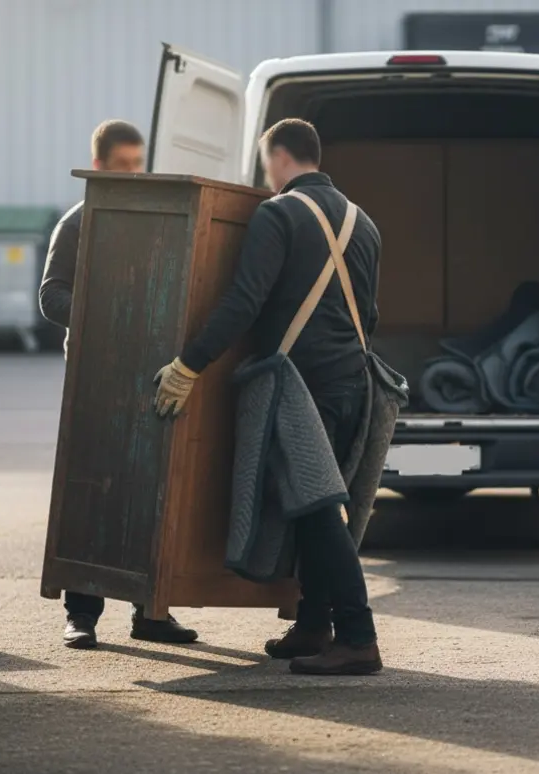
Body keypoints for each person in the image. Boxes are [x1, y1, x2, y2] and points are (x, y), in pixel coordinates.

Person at [151, 118, 383, 675]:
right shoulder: (365, 222)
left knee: (319, 510)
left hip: (301, 387)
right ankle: (312, 624)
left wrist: (189, 364)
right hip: (355, 384)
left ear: (279, 157)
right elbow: (369, 316)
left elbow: (243, 302)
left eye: (265, 163)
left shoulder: (277, 213)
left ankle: (358, 636)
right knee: (317, 507)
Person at [39, 119, 200, 649]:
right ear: (100, 164)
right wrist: (107, 319)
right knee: (90, 493)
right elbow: (51, 297)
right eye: (124, 163)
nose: (134, 172)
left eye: (139, 162)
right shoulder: (77, 222)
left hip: (150, 379)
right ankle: (80, 616)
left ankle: (151, 613)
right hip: (93, 380)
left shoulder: (161, 221)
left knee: (152, 493)